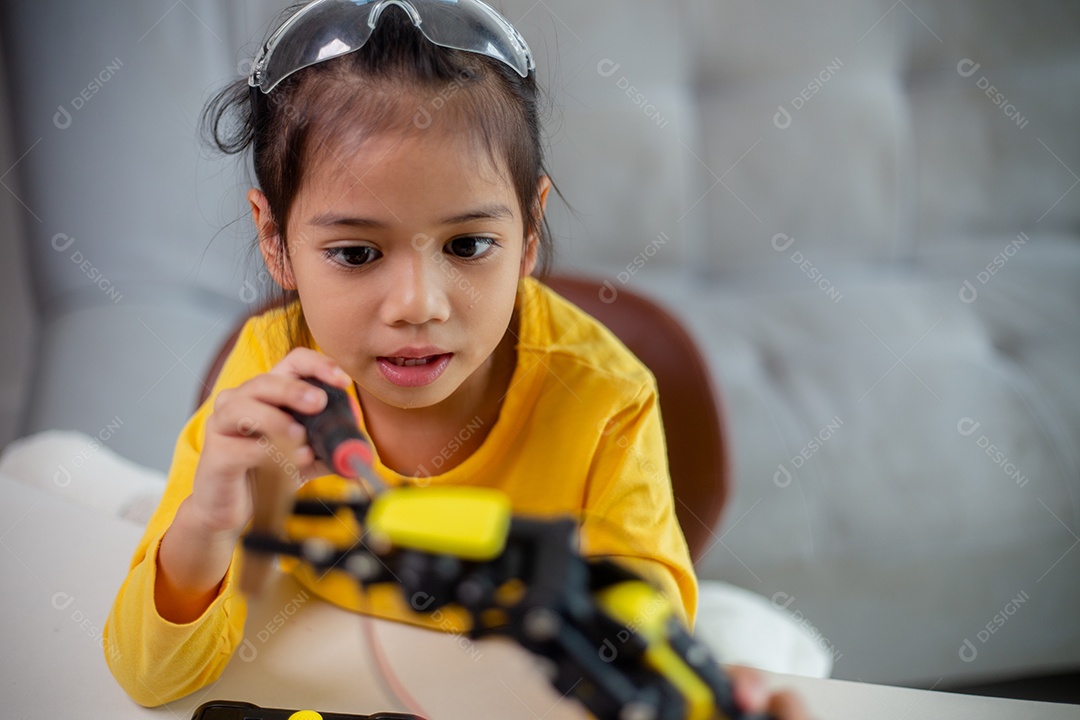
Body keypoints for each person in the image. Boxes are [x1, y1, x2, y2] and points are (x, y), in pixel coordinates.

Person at [104, 1, 808, 717]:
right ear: (274, 239)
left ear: (530, 233)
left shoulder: (605, 396)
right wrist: (207, 518)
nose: (417, 305)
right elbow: (150, 675)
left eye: (467, 246)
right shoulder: (269, 369)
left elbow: (636, 643)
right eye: (355, 253)